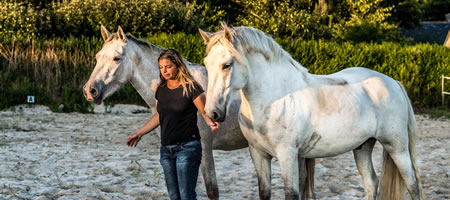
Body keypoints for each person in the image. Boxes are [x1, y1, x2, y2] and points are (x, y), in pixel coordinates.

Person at [126, 49, 219, 200]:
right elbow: (158, 115)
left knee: (186, 195)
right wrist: (139, 133)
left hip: (187, 148)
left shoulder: (192, 87)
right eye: (161, 67)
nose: (164, 71)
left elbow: (204, 111)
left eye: (168, 66)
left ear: (177, 65)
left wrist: (210, 122)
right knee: (174, 196)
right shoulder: (160, 89)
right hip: (166, 150)